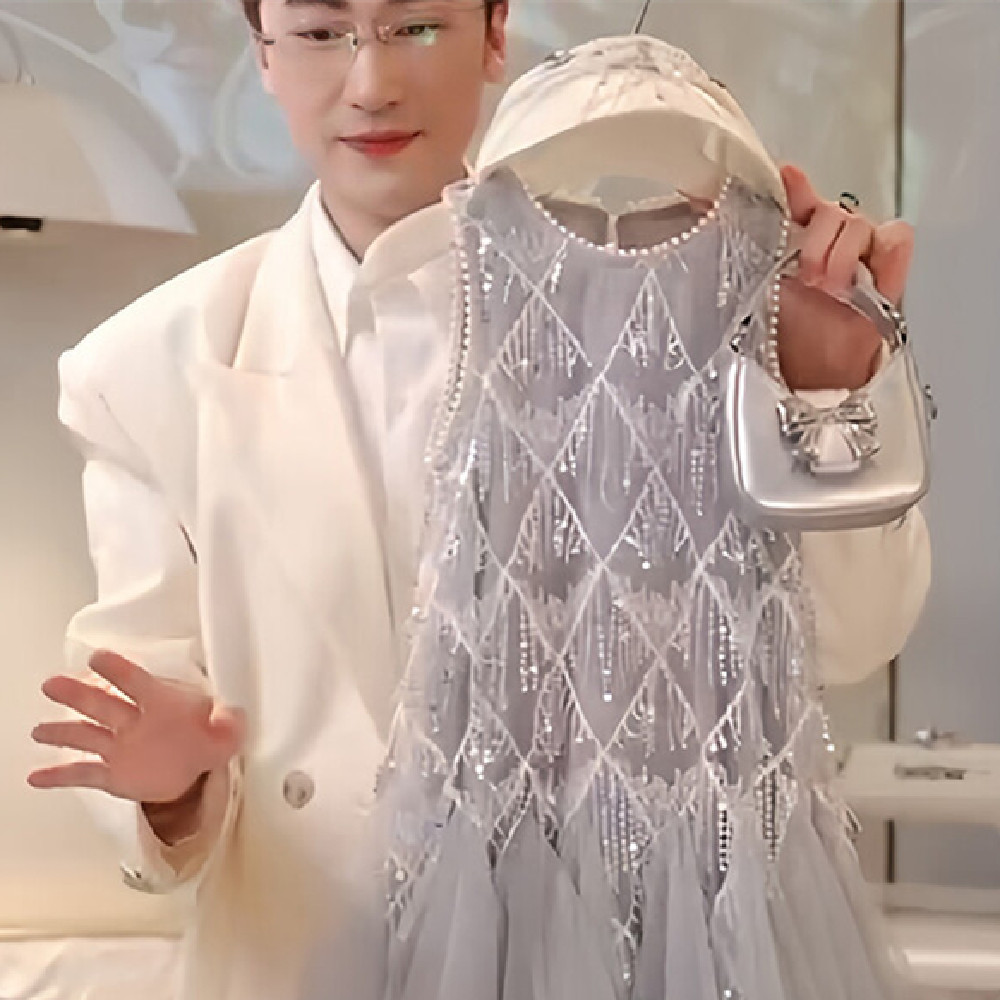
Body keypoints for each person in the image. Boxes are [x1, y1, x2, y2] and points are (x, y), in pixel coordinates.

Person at [28, 2, 930, 999]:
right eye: (322, 32)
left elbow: (853, 638)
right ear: (262, 54)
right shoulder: (144, 367)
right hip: (296, 962)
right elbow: (135, 701)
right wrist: (168, 786)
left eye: (416, 26)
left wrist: (825, 392)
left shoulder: (652, 300)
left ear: (497, 36)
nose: (371, 84)